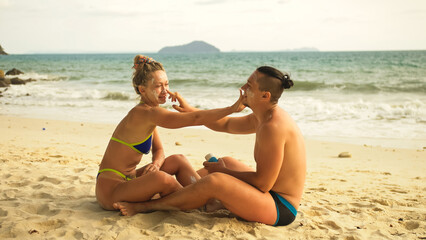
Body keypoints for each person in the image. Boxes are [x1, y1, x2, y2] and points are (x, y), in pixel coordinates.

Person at [113, 66, 306, 227]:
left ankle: (148, 206)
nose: (242, 88)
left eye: (249, 86)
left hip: (280, 207)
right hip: (268, 196)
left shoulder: (273, 127)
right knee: (227, 162)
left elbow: (263, 184)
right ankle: (193, 196)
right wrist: (190, 110)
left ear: (265, 95)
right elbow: (226, 124)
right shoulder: (263, 117)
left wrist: (224, 172)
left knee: (216, 180)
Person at [96, 55, 244, 210]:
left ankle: (203, 196)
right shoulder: (144, 113)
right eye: (158, 86)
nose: (165, 91)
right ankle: (202, 200)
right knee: (161, 178)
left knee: (177, 160)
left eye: (166, 85)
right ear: (142, 90)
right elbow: (195, 118)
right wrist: (231, 109)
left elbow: (159, 150)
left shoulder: (150, 114)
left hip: (129, 180)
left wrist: (156, 163)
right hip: (111, 191)